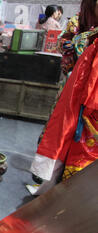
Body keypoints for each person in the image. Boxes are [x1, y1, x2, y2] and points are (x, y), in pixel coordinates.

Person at [31, 0, 98, 188]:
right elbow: (63, 45)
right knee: (62, 124)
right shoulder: (78, 24)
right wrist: (80, 43)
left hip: (85, 88)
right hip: (77, 81)